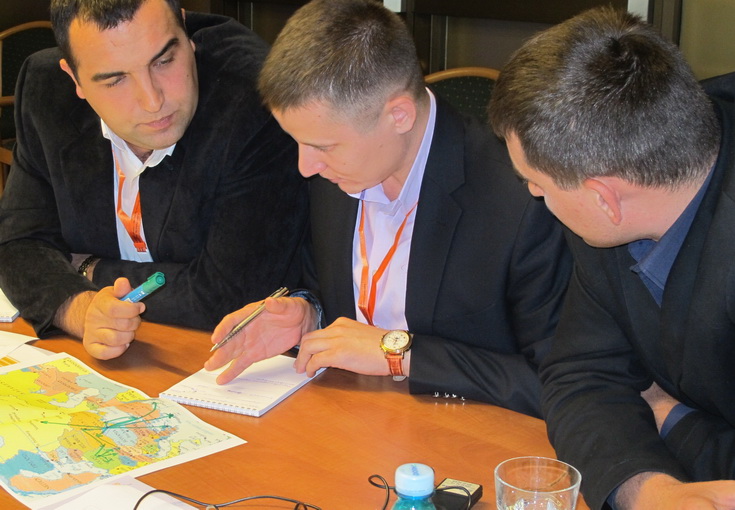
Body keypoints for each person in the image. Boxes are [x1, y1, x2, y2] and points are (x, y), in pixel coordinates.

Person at [204, 0, 572, 417]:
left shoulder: (522, 200)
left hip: (463, 432)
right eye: (298, 142)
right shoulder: (336, 172)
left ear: (399, 115)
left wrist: (399, 353)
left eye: (323, 146)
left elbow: (563, 385)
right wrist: (309, 315)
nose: (305, 167)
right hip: (349, 416)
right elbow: (328, 291)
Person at [489, 6, 735, 510]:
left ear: (605, 197)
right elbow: (582, 375)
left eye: (537, 183)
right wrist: (650, 491)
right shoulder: (616, 194)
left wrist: (673, 419)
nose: (533, 195)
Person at [0, 0, 308, 360]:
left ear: (185, 30)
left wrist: (85, 268)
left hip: (236, 361)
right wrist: (81, 308)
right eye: (115, 80)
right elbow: (17, 244)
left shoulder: (255, 96)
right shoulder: (46, 88)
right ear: (74, 78)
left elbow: (229, 296)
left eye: (164, 61)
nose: (152, 101)